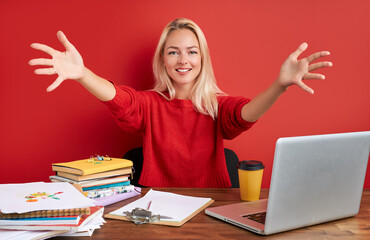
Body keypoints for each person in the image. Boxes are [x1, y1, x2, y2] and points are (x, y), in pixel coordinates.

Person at [29, 18, 332, 187]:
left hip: (212, 205)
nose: (183, 60)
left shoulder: (217, 106)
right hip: (154, 204)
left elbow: (244, 113)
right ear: (163, 59)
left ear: (203, 58)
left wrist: (279, 86)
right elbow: (122, 100)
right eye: (173, 52)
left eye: (191, 51)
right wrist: (83, 74)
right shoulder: (149, 104)